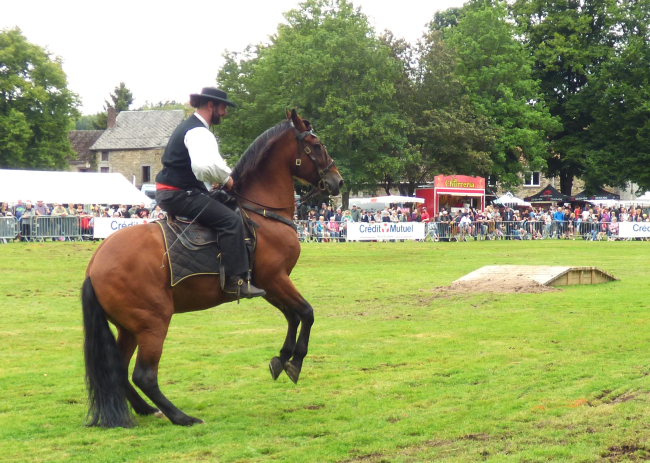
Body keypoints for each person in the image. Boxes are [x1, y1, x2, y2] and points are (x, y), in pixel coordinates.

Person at [154, 87, 264, 298]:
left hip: (179, 191)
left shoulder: (194, 128)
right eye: (223, 107)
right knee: (231, 221)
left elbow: (206, 166)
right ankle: (235, 281)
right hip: (179, 194)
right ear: (210, 105)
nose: (225, 112)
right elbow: (203, 167)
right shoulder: (198, 131)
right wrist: (227, 180)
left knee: (228, 204)